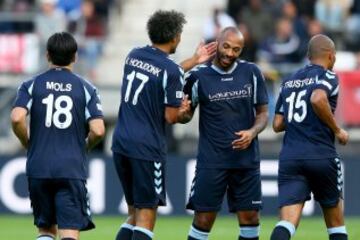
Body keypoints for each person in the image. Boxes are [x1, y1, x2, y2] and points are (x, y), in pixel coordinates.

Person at [111, 10, 217, 240]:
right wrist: (183, 111)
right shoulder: (170, 71)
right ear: (175, 37)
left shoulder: (134, 55)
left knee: (133, 213)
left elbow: (162, 72)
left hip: (121, 142)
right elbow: (170, 117)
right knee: (147, 216)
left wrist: (194, 60)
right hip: (146, 148)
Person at [11, 32, 105, 240]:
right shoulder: (87, 88)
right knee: (69, 230)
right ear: (75, 57)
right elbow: (98, 130)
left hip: (39, 166)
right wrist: (85, 146)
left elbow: (17, 118)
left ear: (47, 56)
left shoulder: (31, 85)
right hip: (70, 167)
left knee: (45, 229)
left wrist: (27, 142)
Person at [182, 27, 269, 240]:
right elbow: (184, 116)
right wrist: (183, 113)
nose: (230, 53)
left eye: (236, 49)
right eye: (226, 46)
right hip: (212, 160)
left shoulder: (252, 72)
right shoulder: (197, 76)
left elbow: (263, 113)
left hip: (245, 161)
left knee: (250, 218)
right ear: (218, 42)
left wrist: (252, 131)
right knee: (203, 220)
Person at [270, 34, 349, 240]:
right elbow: (317, 98)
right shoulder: (328, 76)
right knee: (336, 225)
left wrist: (300, 119)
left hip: (291, 157)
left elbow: (277, 124)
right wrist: (338, 129)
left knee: (287, 223)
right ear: (331, 56)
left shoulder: (288, 81)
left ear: (308, 55)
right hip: (321, 155)